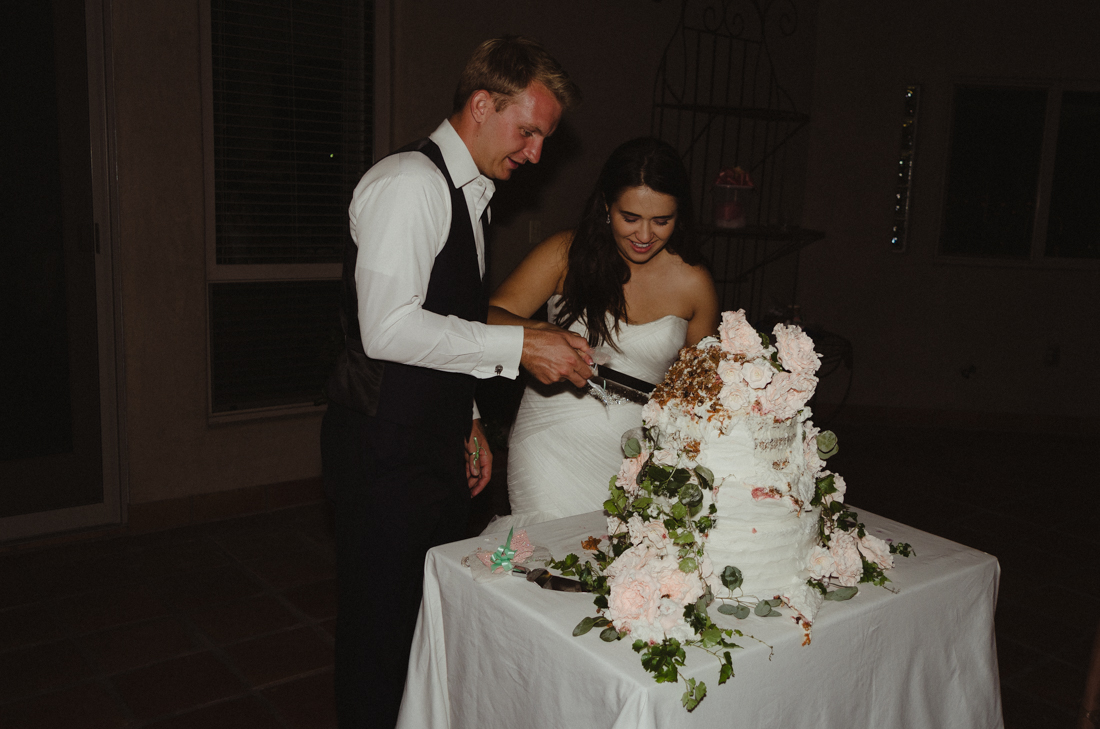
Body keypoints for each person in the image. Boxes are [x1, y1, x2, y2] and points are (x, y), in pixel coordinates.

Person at [320, 36, 591, 729]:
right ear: (481, 104)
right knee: (378, 635)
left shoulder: (474, 194)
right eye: (528, 131)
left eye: (544, 138)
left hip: (428, 441)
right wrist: (520, 342)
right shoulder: (409, 183)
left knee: (422, 622)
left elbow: (447, 320)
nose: (535, 153)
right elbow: (388, 330)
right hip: (381, 447)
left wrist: (469, 415)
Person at [484, 137, 720, 532]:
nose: (644, 234)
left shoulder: (694, 284)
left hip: (636, 455)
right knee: (544, 553)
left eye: (662, 220)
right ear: (607, 206)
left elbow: (701, 394)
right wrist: (541, 331)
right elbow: (484, 316)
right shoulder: (565, 253)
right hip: (551, 442)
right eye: (630, 217)